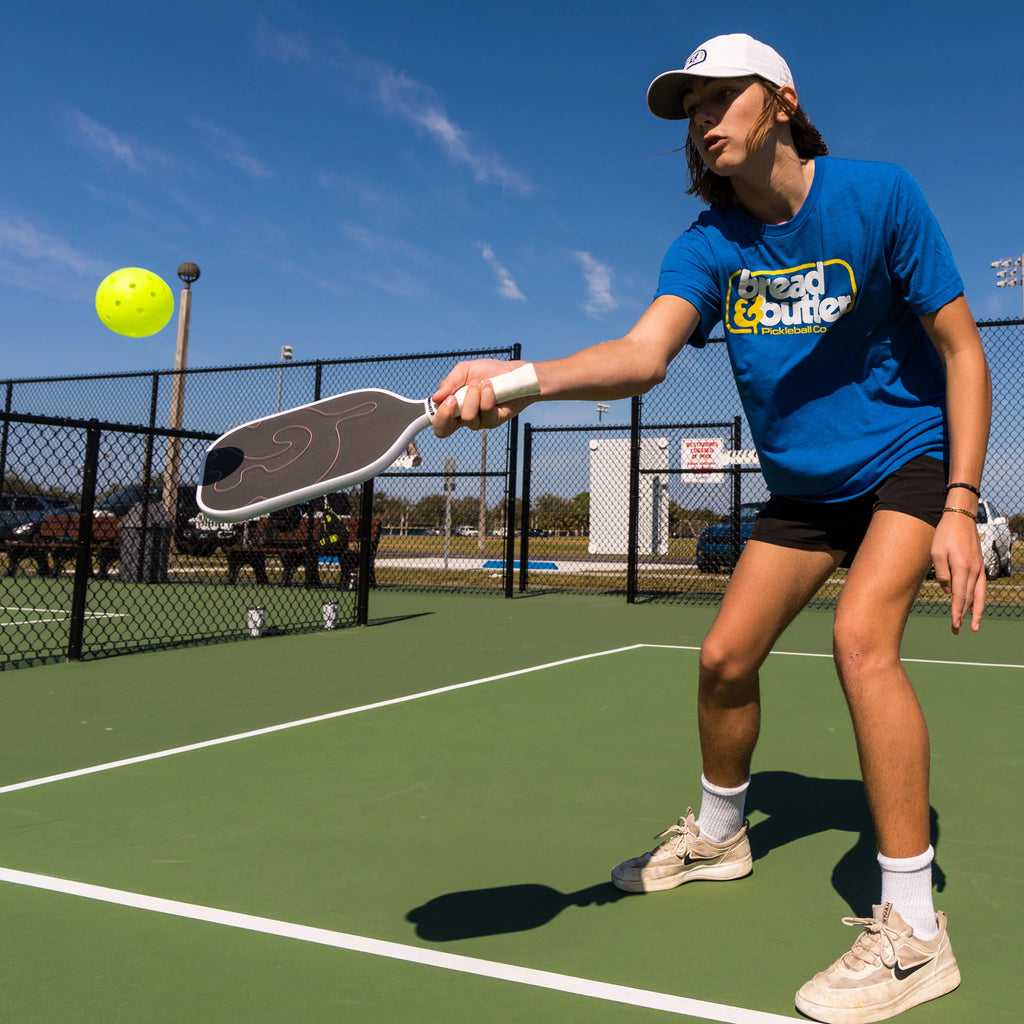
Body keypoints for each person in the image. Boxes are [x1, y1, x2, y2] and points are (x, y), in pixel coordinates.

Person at [431, 33, 991, 1023]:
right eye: (689, 109)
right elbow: (644, 355)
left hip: (902, 460)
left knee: (862, 643)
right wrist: (514, 384)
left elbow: (961, 352)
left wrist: (957, 501)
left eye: (716, 98)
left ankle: (913, 933)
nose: (701, 120)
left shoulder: (879, 196)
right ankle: (722, 835)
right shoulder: (707, 245)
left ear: (780, 100)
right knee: (724, 657)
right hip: (804, 491)